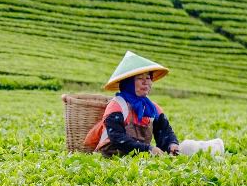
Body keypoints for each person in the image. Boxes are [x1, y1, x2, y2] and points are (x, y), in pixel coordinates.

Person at [85, 51, 223, 157]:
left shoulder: (152, 108)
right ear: (128, 83)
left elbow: (164, 132)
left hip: (139, 157)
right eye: (140, 78)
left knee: (185, 148)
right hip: (113, 156)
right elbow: (117, 138)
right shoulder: (117, 105)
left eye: (148, 78)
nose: (146, 82)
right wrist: (148, 149)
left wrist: (171, 144)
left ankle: (213, 147)